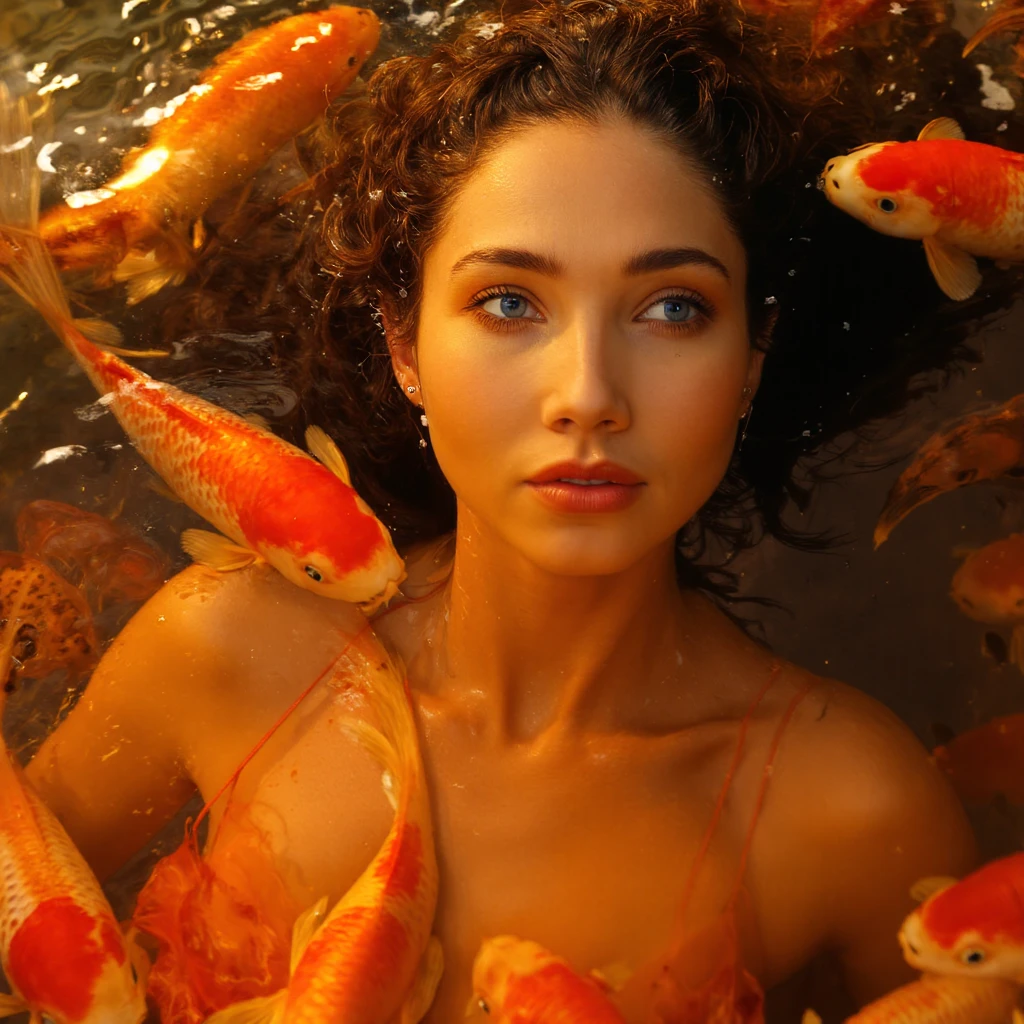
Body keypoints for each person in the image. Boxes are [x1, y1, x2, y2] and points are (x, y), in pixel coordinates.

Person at [24, 0, 978, 1019]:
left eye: (672, 308)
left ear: (750, 359)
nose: (587, 392)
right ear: (403, 341)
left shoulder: (846, 809)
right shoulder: (222, 651)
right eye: (510, 302)